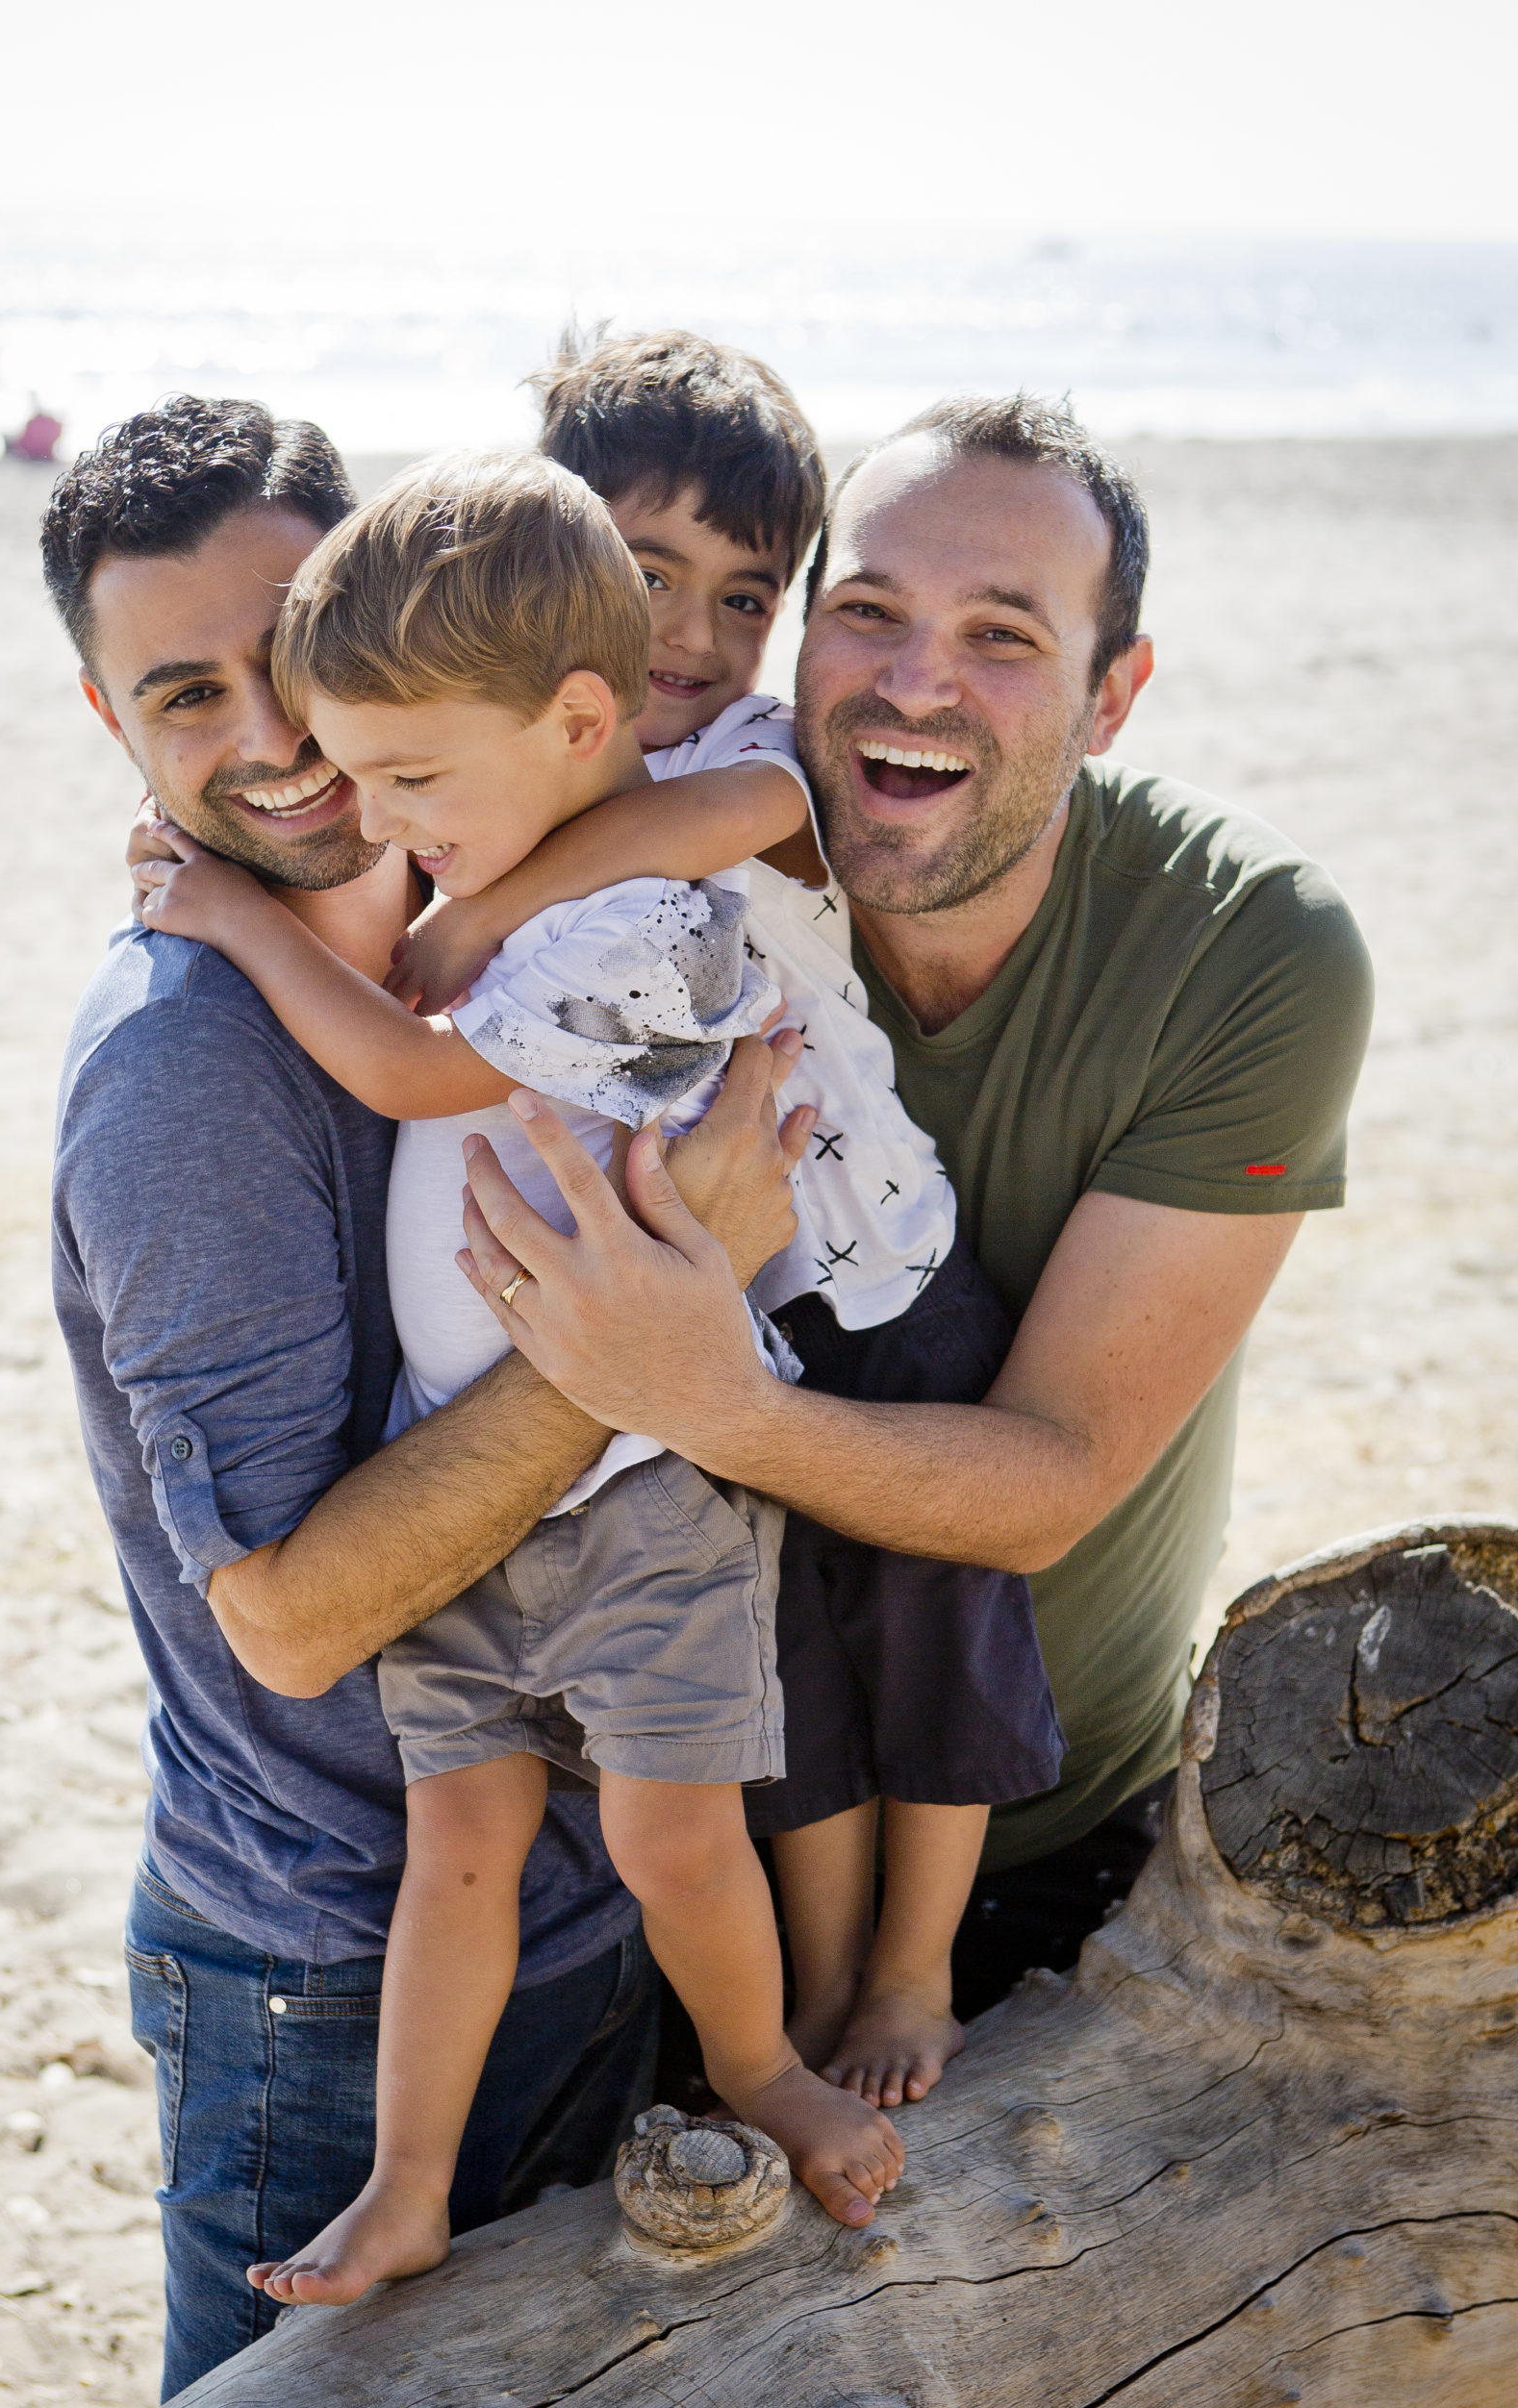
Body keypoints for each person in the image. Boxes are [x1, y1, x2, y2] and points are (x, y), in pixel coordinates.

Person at [40, 395, 803, 2395]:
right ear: (107, 716)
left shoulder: (462, 906)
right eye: (184, 693)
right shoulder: (188, 1072)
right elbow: (289, 1616)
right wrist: (650, 1324)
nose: (273, 735)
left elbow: (731, 787)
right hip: (333, 1965)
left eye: (289, 655)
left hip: (572, 1880)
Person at [445, 394, 1375, 2003]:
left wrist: (699, 1393)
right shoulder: (673, 878)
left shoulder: (1248, 946)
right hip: (662, 1850)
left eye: (1004, 635)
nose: (916, 679)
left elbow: (1049, 1479)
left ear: (1113, 696)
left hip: (1048, 1848)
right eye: (864, 612)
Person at [384, 333, 1068, 2102]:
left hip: (869, 1262)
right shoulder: (525, 765)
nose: (690, 631)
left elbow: (744, 816)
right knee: (785, 1675)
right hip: (711, 1324)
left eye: (746, 593)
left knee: (936, 1610)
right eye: (646, 573)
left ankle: (912, 1971)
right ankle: (828, 1988)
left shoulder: (759, 752)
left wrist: (482, 916)